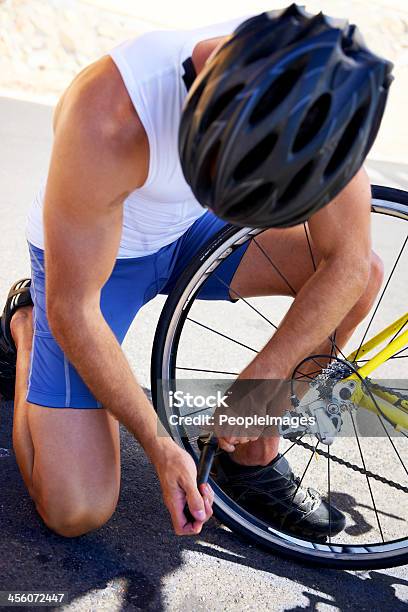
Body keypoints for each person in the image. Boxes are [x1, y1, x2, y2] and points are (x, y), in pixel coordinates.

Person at [0, 5, 392, 539]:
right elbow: (74, 309)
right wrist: (160, 443)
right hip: (97, 264)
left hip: (191, 230)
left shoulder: (321, 95)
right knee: (76, 509)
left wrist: (262, 389)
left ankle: (249, 453)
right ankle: (26, 326)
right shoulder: (110, 114)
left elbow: (347, 263)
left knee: (362, 276)